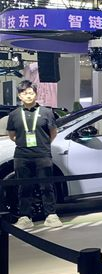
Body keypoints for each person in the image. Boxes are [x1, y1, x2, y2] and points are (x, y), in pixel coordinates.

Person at [6, 81, 61, 227]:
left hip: (42, 155)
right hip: (22, 156)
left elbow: (53, 133)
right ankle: (25, 217)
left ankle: (51, 215)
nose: (28, 96)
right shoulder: (14, 114)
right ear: (19, 96)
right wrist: (23, 143)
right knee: (24, 187)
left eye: (31, 93)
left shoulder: (47, 112)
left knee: (47, 186)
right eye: (24, 93)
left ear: (36, 94)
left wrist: (42, 144)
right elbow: (12, 135)